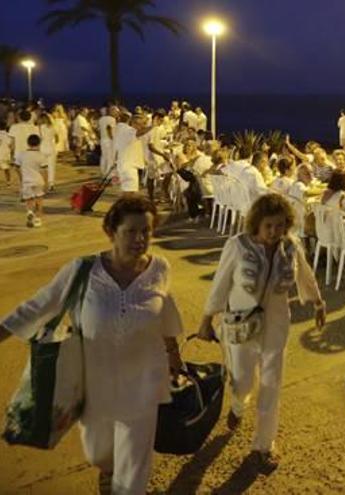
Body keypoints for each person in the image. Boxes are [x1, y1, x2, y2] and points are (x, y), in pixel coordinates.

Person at [0, 196, 184, 495]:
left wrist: (173, 353)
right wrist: (2, 330)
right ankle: (108, 469)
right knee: (100, 452)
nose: (140, 239)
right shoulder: (83, 271)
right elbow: (39, 305)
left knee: (135, 465)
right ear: (111, 232)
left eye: (146, 231)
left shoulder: (159, 268)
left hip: (143, 382)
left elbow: (165, 311)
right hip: (94, 381)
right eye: (131, 231)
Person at [199, 194, 325, 470]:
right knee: (242, 380)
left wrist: (317, 302)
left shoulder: (291, 246)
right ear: (257, 222)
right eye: (269, 225)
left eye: (280, 225)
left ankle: (263, 446)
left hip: (277, 325)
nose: (274, 232)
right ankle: (237, 406)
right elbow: (220, 283)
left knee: (271, 384)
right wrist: (207, 319)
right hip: (241, 326)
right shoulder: (237, 246)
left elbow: (305, 274)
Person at [13, 134, 48, 228]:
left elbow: (16, 167)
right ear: (39, 143)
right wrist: (46, 182)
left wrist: (21, 177)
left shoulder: (22, 154)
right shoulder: (41, 156)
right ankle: (38, 220)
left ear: (28, 143)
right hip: (38, 180)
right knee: (39, 200)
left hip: (27, 181)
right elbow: (44, 171)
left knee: (29, 200)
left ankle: (29, 212)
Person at [114, 113, 152, 195]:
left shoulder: (125, 131)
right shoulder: (129, 131)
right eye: (141, 124)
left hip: (127, 166)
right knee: (129, 193)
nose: (143, 126)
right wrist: (153, 126)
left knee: (130, 191)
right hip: (128, 167)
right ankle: (126, 207)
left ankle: (126, 206)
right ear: (134, 123)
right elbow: (140, 132)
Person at [37, 114, 58, 191]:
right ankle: (51, 183)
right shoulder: (53, 127)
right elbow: (57, 138)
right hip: (51, 147)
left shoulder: (40, 128)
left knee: (42, 167)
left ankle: (43, 183)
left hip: (42, 147)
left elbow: (39, 138)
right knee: (51, 167)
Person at [98, 106, 117, 176]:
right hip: (109, 140)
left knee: (104, 156)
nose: (116, 113)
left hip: (103, 140)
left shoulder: (101, 119)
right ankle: (110, 174)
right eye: (115, 112)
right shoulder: (111, 119)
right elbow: (109, 129)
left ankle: (103, 171)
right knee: (110, 157)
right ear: (111, 111)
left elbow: (99, 130)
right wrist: (113, 139)